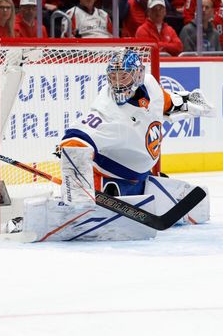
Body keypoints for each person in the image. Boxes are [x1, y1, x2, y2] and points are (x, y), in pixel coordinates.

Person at [25, 49, 211, 240]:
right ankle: (81, 210)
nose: (117, 84)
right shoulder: (107, 111)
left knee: (198, 205)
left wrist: (188, 103)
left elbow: (165, 101)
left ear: (138, 75)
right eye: (113, 77)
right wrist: (78, 186)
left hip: (140, 178)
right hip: (108, 181)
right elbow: (76, 137)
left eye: (123, 76)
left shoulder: (150, 85)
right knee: (82, 215)